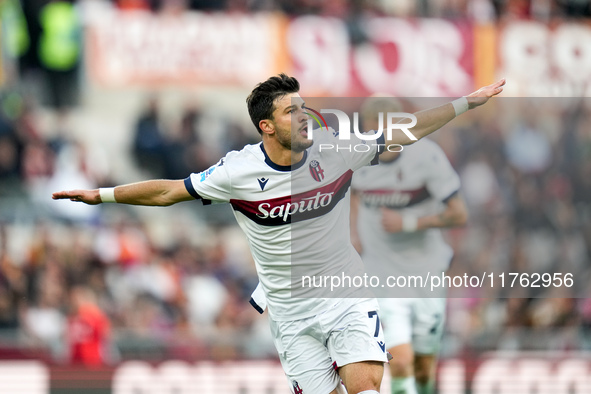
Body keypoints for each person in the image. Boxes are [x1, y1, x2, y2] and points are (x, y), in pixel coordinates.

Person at [52, 74, 504, 394]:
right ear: (267, 126)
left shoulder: (336, 148)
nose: (304, 116)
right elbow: (170, 192)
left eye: (303, 106)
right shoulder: (238, 172)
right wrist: (103, 195)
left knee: (366, 389)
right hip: (289, 313)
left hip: (346, 293)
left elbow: (404, 131)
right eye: (292, 111)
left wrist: (467, 102)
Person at [351, 97, 468, 394]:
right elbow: (351, 191)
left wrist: (410, 223)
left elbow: (459, 214)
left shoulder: (426, 157)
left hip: (426, 270)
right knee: (400, 361)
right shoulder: (353, 156)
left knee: (424, 366)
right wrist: (353, 232)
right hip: (381, 271)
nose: (376, 140)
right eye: (370, 132)